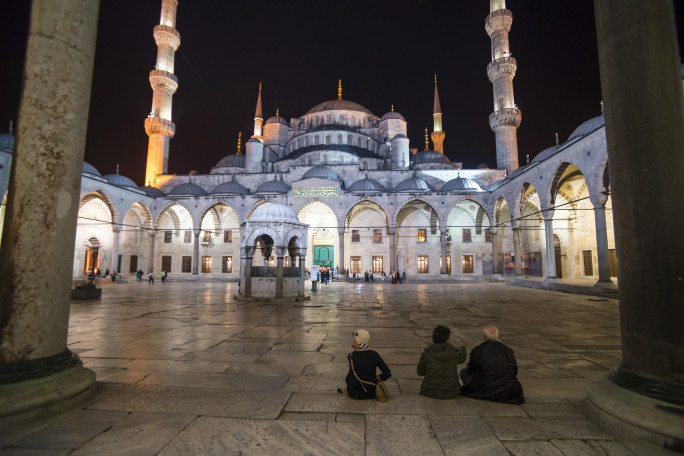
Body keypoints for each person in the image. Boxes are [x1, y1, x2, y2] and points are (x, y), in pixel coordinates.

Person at [460, 325, 524, 404]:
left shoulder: (477, 350)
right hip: (507, 392)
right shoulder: (508, 350)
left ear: (484, 337)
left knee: (463, 372)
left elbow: (470, 370)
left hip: (482, 388)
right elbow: (514, 370)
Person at [338, 329, 391, 399]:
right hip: (370, 393)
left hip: (353, 393)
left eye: (354, 339)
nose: (353, 341)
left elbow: (350, 376)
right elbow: (387, 373)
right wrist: (376, 378)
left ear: (357, 341)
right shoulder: (374, 354)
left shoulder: (351, 356)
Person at [417, 325, 467, 399]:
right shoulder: (453, 351)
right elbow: (462, 358)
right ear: (447, 339)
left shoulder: (427, 353)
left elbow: (420, 372)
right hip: (452, 392)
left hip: (429, 391)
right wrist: (463, 347)